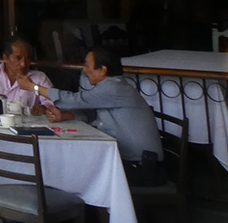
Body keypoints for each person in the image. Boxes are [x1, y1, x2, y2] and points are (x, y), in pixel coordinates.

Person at [15, 47, 165, 186]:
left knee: (76, 172)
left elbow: (75, 100)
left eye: (87, 66)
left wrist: (33, 87)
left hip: (142, 166)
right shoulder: (110, 87)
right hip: (130, 161)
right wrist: (65, 115)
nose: (84, 70)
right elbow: (90, 111)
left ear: (103, 70)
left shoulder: (113, 88)